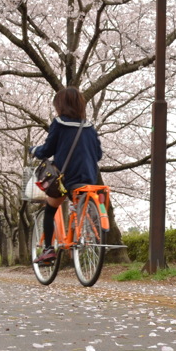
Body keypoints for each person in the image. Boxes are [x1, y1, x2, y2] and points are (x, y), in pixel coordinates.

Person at [30, 87, 102, 264]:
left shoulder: (59, 123)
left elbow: (47, 150)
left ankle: (48, 250)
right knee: (76, 204)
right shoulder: (90, 127)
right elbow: (98, 155)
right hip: (89, 178)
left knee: (50, 209)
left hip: (66, 180)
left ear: (60, 105)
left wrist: (34, 150)